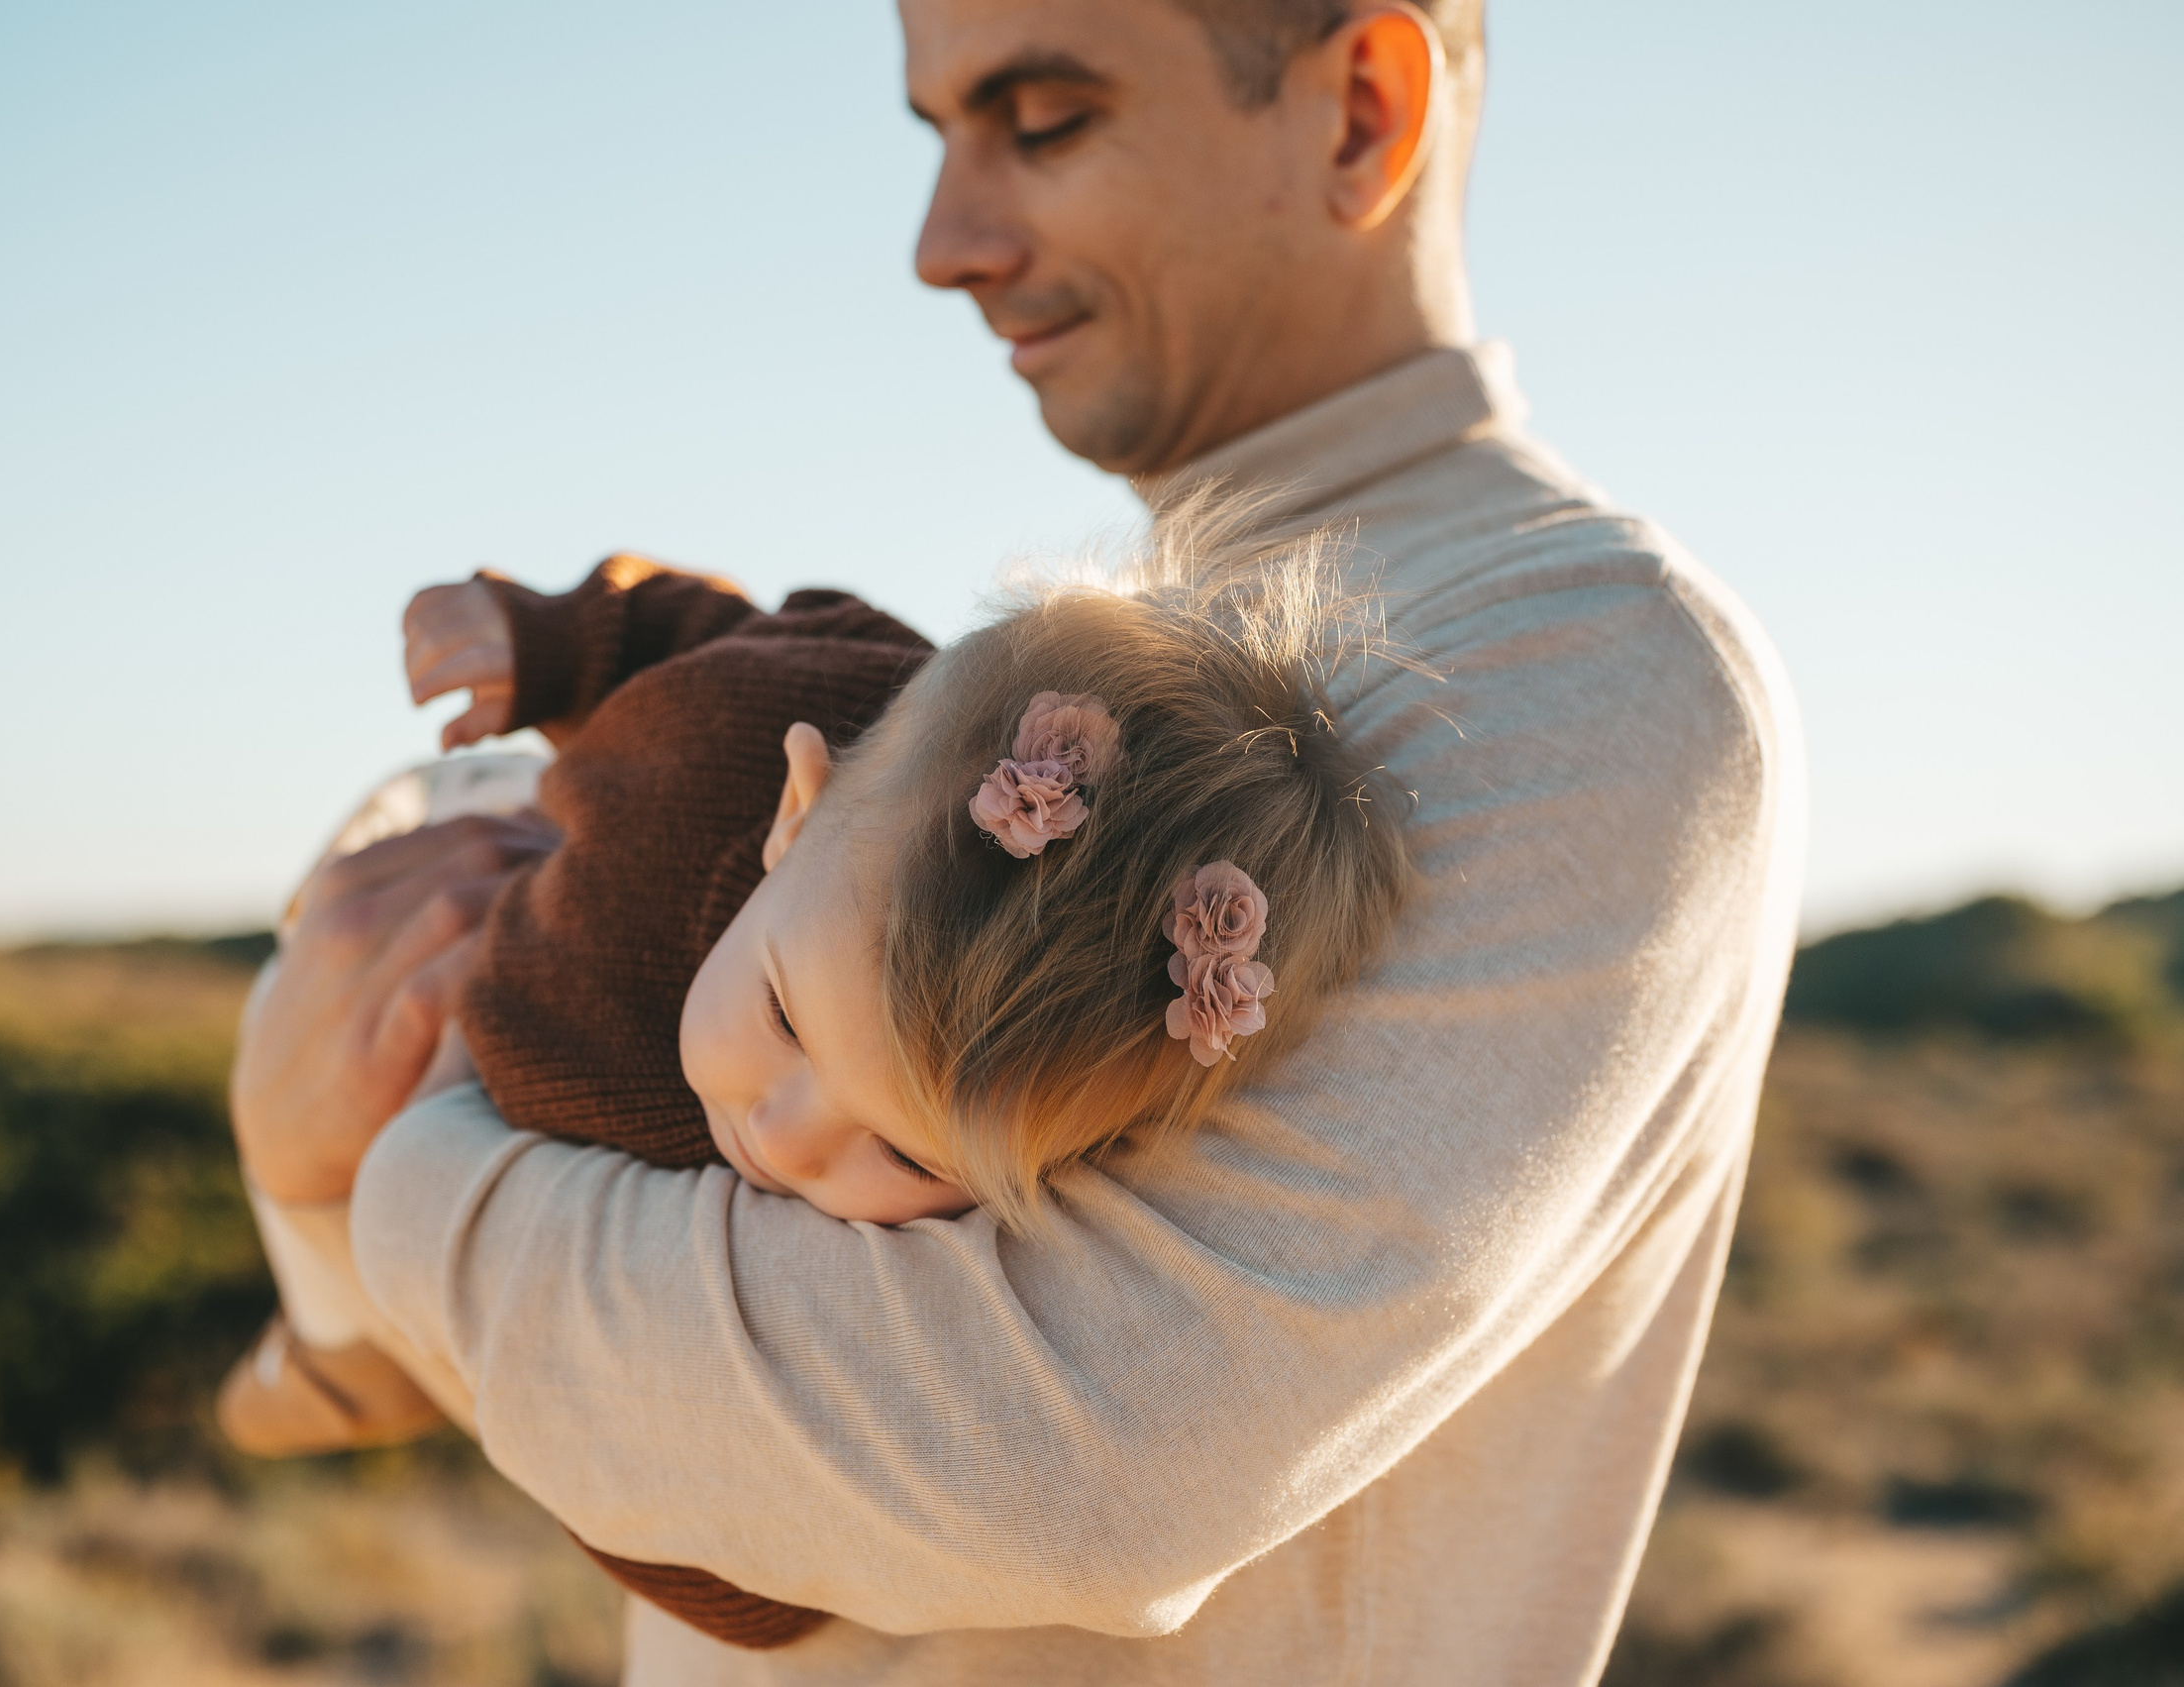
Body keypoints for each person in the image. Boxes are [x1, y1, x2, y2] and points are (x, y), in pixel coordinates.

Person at [230, 0, 1806, 1680]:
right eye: (938, 136)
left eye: (1043, 120)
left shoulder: (1571, 655)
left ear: (1357, 109)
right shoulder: (1074, 665)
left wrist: (390, 1166)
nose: (942, 244)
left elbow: (1058, 1459)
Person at [226, 535, 1408, 1647]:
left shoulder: (751, 1205)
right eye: (786, 1018)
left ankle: (327, 1353)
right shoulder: (830, 739)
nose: (784, 1137)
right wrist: (548, 638)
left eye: (905, 1158)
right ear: (800, 805)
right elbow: (711, 631)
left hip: (447, 1072)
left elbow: (699, 1524)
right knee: (313, 949)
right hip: (480, 816)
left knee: (330, 1149)